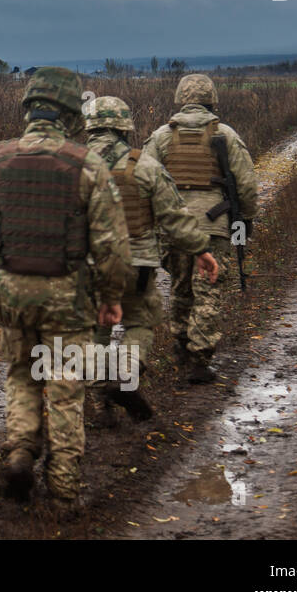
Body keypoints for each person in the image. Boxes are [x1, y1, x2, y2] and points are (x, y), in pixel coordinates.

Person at [0, 67, 129, 507]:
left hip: (12, 293)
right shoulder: (86, 164)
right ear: (71, 113)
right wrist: (111, 298)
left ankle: (20, 451)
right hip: (67, 297)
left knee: (21, 376)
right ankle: (64, 491)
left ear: (29, 108)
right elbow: (111, 244)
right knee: (65, 388)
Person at [81, 96, 219, 422]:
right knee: (140, 322)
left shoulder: (72, 166)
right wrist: (202, 249)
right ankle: (126, 374)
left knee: (94, 331)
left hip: (86, 267)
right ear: (124, 129)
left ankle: (100, 406)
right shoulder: (144, 166)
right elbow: (175, 218)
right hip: (136, 266)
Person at [141, 74, 258, 384]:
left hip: (173, 228)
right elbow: (246, 184)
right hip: (213, 226)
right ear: (212, 99)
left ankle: (180, 346)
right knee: (208, 291)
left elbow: (144, 181)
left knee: (180, 288)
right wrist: (245, 219)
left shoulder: (161, 137)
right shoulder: (227, 135)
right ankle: (199, 359)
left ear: (181, 98)